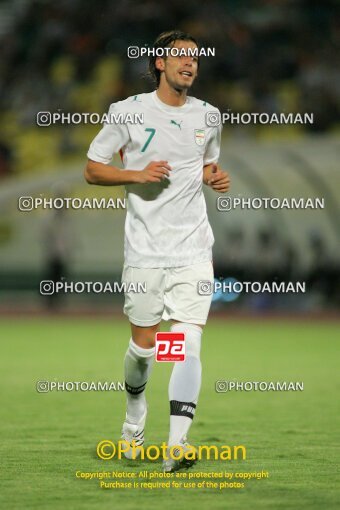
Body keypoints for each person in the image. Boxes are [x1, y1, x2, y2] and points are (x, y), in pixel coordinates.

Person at [85, 30, 230, 472]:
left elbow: (206, 162)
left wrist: (214, 177)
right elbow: (93, 170)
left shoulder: (209, 115)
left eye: (196, 59)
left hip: (193, 250)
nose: (190, 64)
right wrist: (136, 175)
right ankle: (133, 421)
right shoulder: (127, 112)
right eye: (181, 57)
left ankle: (178, 445)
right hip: (145, 253)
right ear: (159, 65)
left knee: (186, 344)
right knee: (146, 350)